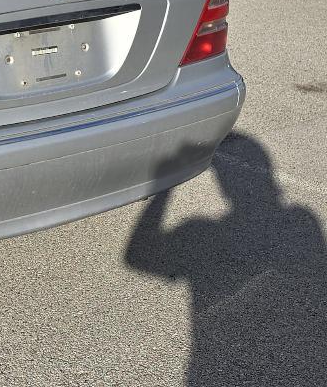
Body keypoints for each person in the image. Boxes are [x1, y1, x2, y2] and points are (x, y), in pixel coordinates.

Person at [125, 133, 326, 385]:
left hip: (207, 359)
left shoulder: (199, 229)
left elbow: (136, 257)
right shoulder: (301, 219)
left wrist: (162, 193)